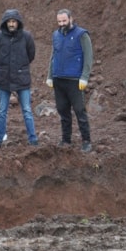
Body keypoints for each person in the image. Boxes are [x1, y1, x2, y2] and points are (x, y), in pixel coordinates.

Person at [46, 9, 93, 153]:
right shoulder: (56, 35)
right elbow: (53, 56)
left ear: (71, 19)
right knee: (62, 110)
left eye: (64, 21)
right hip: (59, 79)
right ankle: (66, 139)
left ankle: (86, 140)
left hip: (74, 80)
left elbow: (88, 56)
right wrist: (50, 75)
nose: (61, 24)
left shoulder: (82, 35)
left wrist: (84, 77)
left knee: (79, 110)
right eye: (59, 21)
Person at [0, 9, 38, 147]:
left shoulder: (26, 37)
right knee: (1, 111)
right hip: (4, 79)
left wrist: (21, 66)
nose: (11, 24)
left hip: (22, 79)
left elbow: (31, 55)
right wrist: (3, 66)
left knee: (27, 111)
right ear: (5, 23)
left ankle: (33, 139)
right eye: (9, 21)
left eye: (14, 21)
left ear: (18, 23)